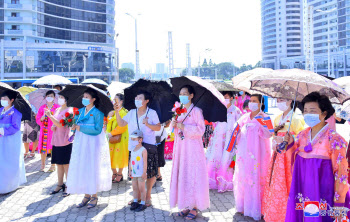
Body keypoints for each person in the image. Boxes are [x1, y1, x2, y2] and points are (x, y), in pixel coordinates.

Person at [284, 92, 350, 222]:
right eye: (306, 110)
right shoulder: (301, 136)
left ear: (324, 113)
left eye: (312, 111)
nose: (308, 114)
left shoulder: (335, 140)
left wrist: (339, 202)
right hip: (303, 190)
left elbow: (341, 174)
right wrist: (290, 143)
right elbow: (293, 160)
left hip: (323, 193)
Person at [66, 88, 112, 209]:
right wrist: (71, 125)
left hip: (93, 142)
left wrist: (81, 128)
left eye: (87, 97)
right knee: (83, 166)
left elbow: (97, 130)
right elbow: (74, 125)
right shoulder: (79, 111)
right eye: (83, 97)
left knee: (93, 166)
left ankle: (94, 195)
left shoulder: (98, 113)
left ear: (93, 99)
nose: (84, 99)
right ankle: (86, 194)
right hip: (81, 142)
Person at [115, 90, 161, 207]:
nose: (137, 99)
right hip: (134, 147)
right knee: (135, 173)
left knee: (149, 172)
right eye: (136, 97)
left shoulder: (152, 113)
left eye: (140, 98)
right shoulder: (131, 112)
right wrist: (117, 112)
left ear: (146, 101)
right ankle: (138, 197)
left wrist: (148, 124)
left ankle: (148, 196)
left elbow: (158, 127)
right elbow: (121, 124)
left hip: (148, 146)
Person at [262, 98, 305, 222]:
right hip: (278, 155)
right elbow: (274, 135)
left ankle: (287, 214)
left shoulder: (297, 118)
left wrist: (290, 139)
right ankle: (275, 213)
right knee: (276, 182)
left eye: (282, 99)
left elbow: (302, 138)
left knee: (288, 182)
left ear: (290, 100)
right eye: (278, 99)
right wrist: (275, 142)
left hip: (289, 157)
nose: (279, 101)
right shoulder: (277, 118)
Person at [170, 85, 209, 220]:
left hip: (193, 149)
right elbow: (173, 130)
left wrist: (184, 126)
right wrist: (174, 123)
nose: (182, 96)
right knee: (183, 174)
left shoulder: (197, 111)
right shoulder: (178, 110)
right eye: (180, 93)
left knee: (193, 174)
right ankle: (185, 204)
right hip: (181, 147)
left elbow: (200, 130)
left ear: (191, 95)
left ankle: (195, 206)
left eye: (185, 93)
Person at [233, 94, 272, 221]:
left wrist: (261, 122)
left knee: (257, 179)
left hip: (258, 156)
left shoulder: (265, 117)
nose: (252, 103)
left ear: (261, 104)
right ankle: (244, 205)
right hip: (244, 155)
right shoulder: (244, 117)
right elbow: (236, 133)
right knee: (244, 178)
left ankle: (257, 208)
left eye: (255, 101)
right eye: (251, 101)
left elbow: (269, 134)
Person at [206, 91, 242, 191]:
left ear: (231, 98)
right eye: (223, 97)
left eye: (226, 97)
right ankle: (213, 180)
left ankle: (224, 182)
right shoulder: (219, 108)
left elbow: (240, 125)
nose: (224, 99)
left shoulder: (236, 111)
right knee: (215, 157)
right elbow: (214, 123)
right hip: (218, 139)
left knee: (226, 159)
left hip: (229, 140)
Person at [45, 94, 74, 197]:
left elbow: (61, 124)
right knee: (58, 164)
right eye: (59, 97)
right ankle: (60, 184)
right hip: (56, 140)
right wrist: (53, 125)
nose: (60, 99)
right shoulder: (58, 110)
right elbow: (56, 123)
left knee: (66, 164)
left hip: (65, 140)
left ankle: (68, 186)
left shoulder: (69, 111)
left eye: (62, 97)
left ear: (66, 99)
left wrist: (50, 116)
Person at [0, 90, 26, 193]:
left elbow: (16, 127)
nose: (2, 101)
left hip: (10, 140)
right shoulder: (1, 110)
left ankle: (11, 184)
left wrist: (2, 130)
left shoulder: (16, 113)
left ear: (11, 100)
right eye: (1, 99)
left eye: (5, 99)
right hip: (1, 139)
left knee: (9, 160)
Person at [106, 93, 129, 183]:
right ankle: (114, 172)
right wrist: (109, 116)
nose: (114, 102)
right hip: (111, 137)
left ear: (121, 101)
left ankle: (120, 173)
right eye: (113, 100)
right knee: (111, 155)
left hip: (121, 137)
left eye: (116, 100)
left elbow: (123, 127)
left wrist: (111, 133)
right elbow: (109, 123)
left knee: (120, 156)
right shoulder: (112, 111)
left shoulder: (124, 112)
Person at [36, 90, 60, 172]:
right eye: (48, 96)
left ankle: (53, 165)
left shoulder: (57, 107)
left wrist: (51, 116)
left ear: (54, 98)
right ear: (46, 97)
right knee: (43, 148)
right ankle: (42, 164)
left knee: (53, 148)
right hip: (44, 130)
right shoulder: (42, 107)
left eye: (51, 96)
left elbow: (59, 119)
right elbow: (38, 119)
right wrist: (42, 118)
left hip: (53, 130)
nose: (49, 97)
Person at [129, 130, 148, 212]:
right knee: (134, 188)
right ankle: (135, 201)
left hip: (141, 173)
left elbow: (145, 162)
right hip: (134, 173)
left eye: (134, 139)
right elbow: (130, 160)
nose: (133, 141)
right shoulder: (132, 149)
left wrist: (144, 172)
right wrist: (130, 171)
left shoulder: (143, 150)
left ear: (140, 140)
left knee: (141, 188)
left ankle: (143, 203)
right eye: (132, 139)